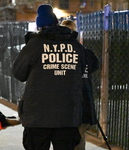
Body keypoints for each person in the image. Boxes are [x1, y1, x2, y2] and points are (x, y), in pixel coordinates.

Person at [12, 4, 87, 150]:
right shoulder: (75, 45)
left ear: (39, 26)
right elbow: (86, 67)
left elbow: (19, 73)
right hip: (68, 116)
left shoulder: (35, 45)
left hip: (37, 116)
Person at [61, 19, 99, 150]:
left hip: (66, 107)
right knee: (79, 139)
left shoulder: (61, 55)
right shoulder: (86, 53)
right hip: (84, 105)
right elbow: (94, 66)